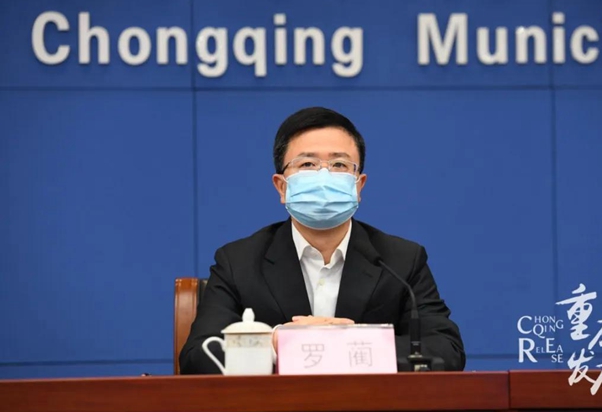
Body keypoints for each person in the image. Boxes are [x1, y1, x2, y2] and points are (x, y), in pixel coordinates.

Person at [179, 107, 465, 373]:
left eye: (339, 164)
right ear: (281, 186)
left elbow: (446, 351)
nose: (324, 175)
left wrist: (353, 341)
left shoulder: (401, 260)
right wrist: (277, 341)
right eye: (307, 163)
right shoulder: (238, 262)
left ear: (359, 185)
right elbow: (196, 357)